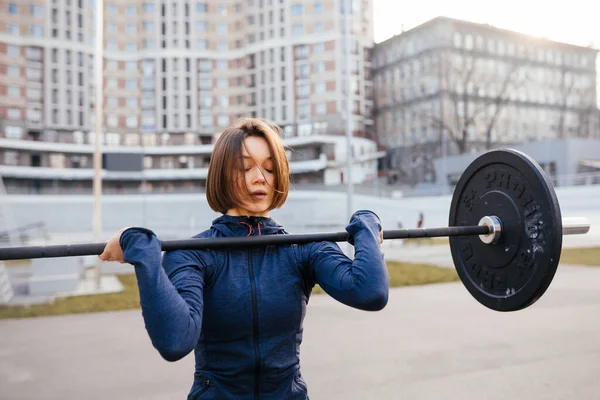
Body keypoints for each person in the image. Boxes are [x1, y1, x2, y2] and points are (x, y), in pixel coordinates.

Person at [99, 118, 389, 400]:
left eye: (270, 169)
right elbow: (174, 341)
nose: (260, 178)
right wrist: (140, 246)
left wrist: (365, 222)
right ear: (223, 174)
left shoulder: (304, 249)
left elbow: (370, 292)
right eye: (245, 168)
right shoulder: (193, 253)